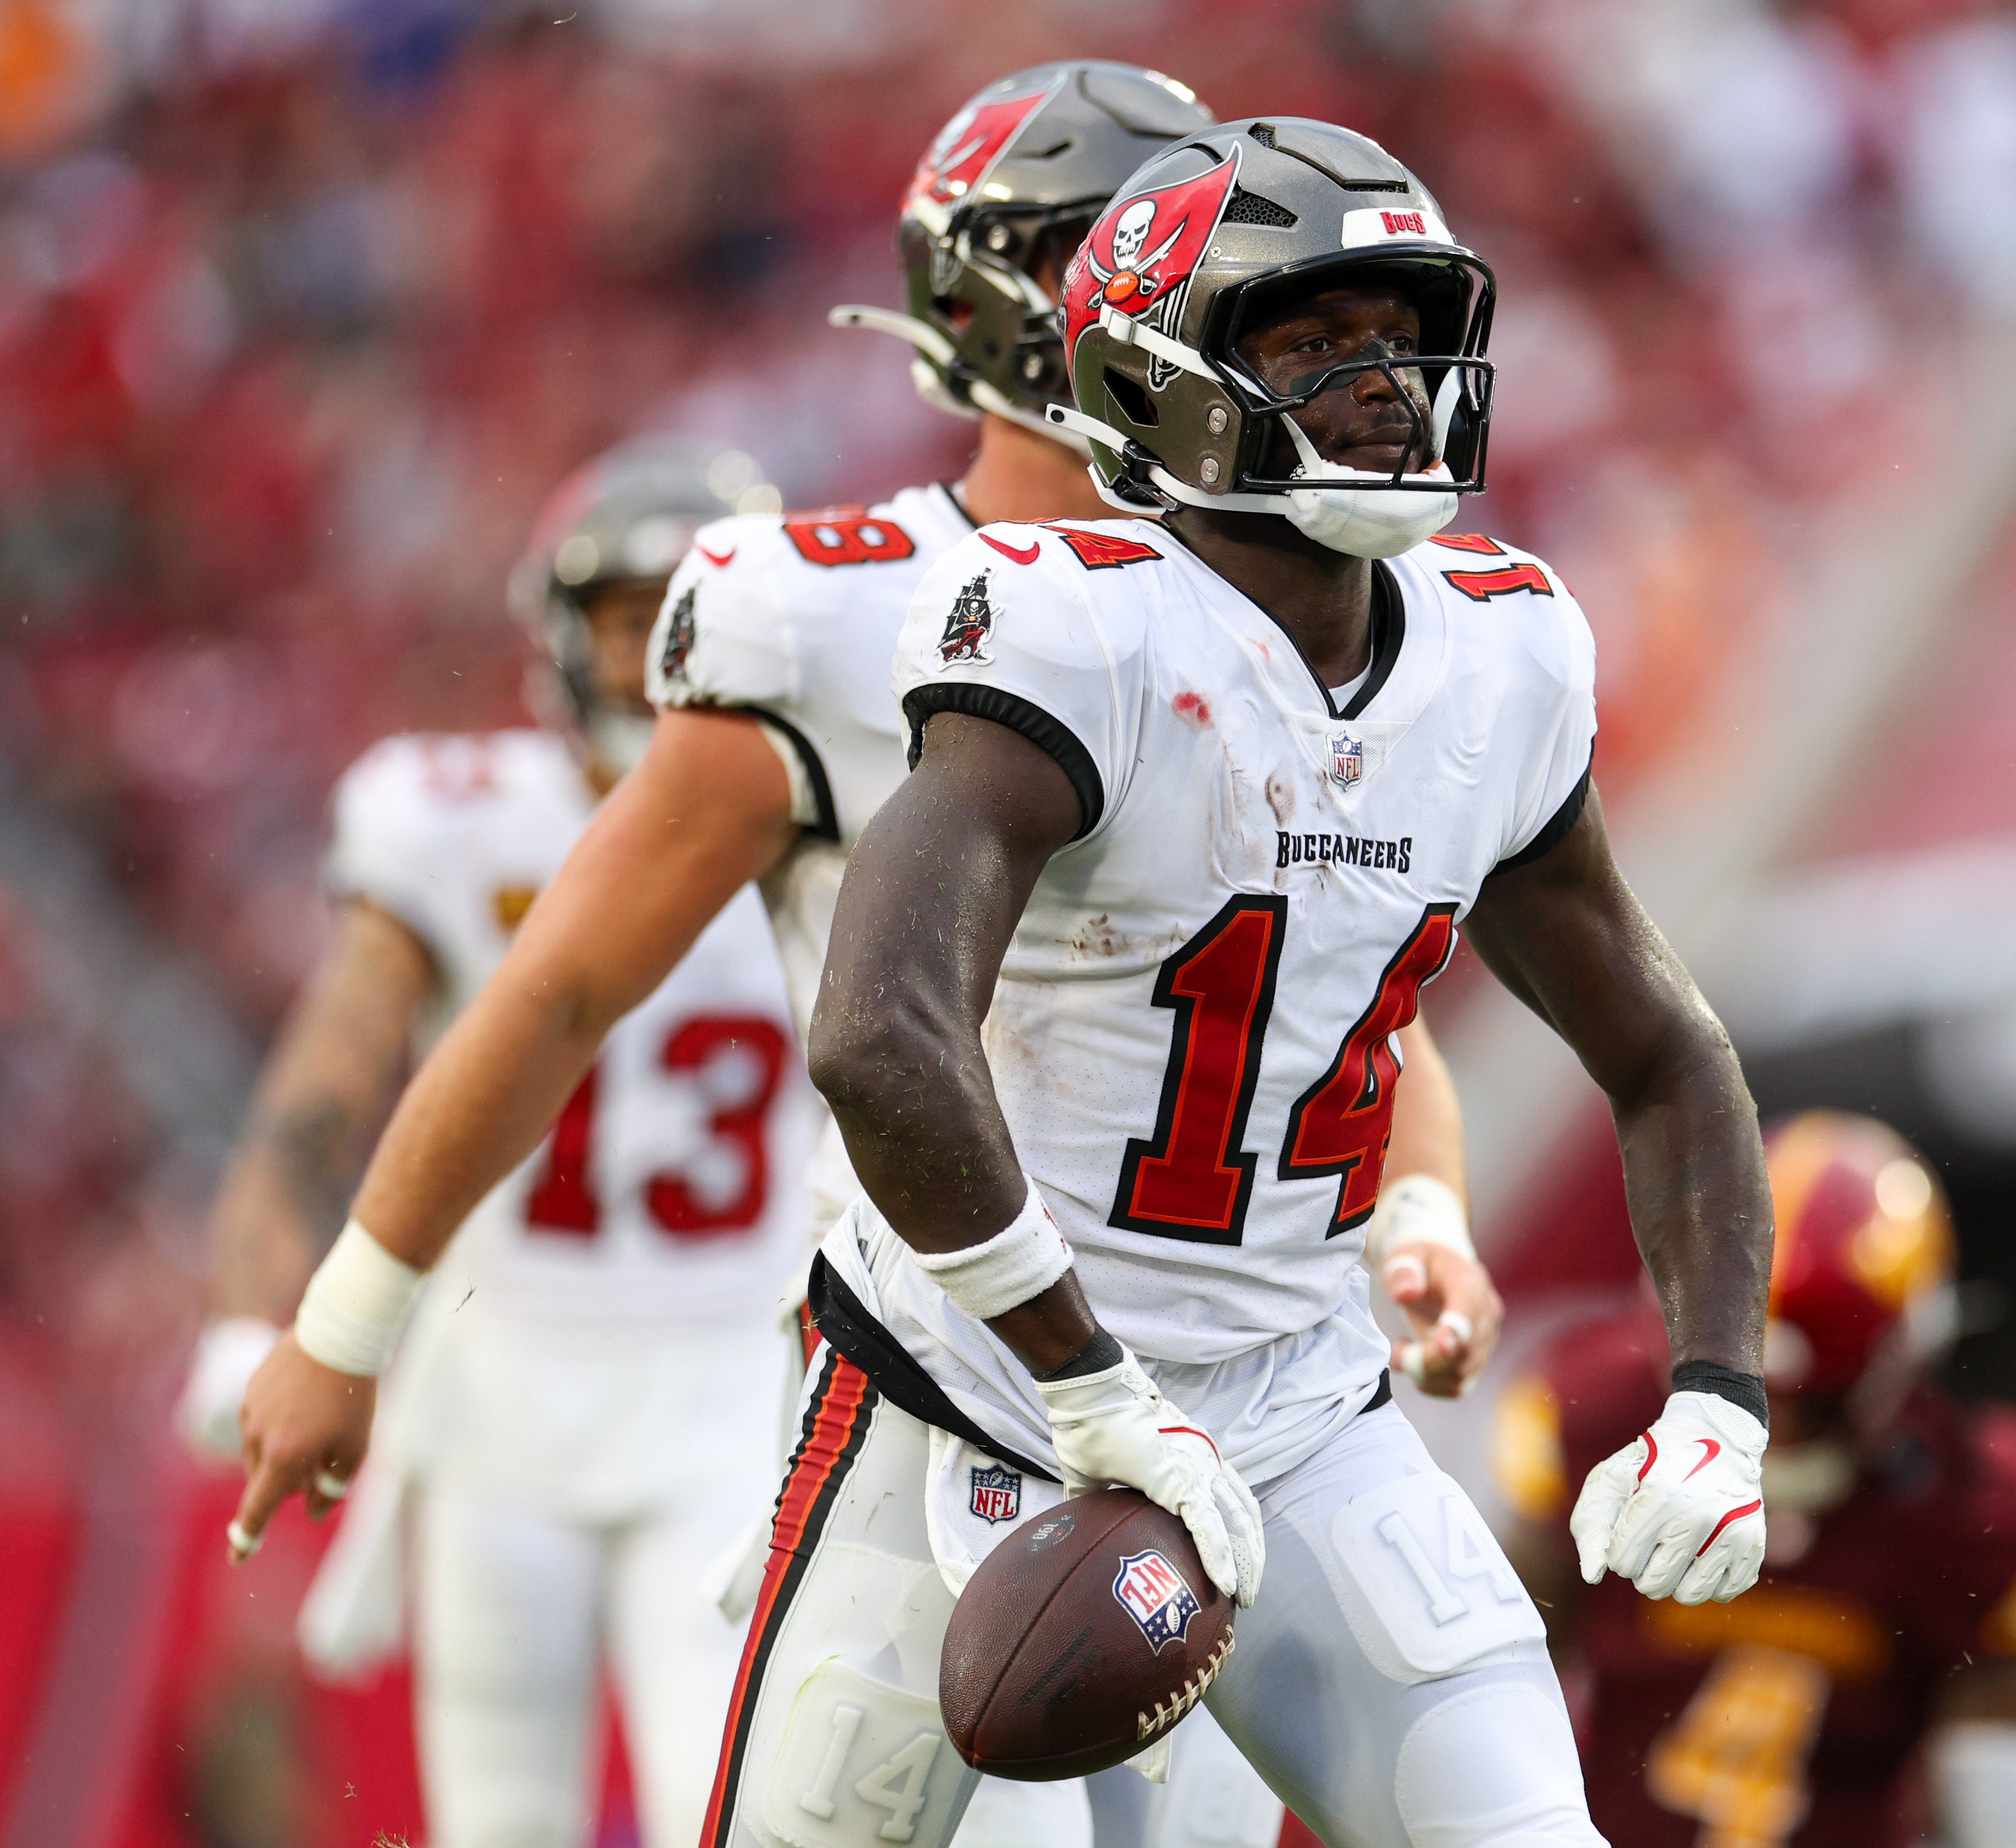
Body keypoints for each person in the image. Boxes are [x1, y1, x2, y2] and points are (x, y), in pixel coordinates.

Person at [226, 62, 1501, 1848]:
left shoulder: (1269, 597)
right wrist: (351, 1315)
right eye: (1132, 248)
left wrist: (1421, 1211)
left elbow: (1339, 997)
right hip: (939, 1379)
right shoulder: (837, 607)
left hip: (1233, 1399)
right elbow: (561, 982)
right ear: (1019, 294)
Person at [679, 115, 1780, 1848]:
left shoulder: (1500, 652)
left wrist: (1717, 1393)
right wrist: (1089, 1383)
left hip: (1296, 1401)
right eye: (1313, 338)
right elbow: (877, 1035)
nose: (1385, 379)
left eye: (1401, 330)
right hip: (969, 1390)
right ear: (1162, 384)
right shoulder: (1075, 627)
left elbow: (1664, 1052)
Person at [175, 441, 823, 1848]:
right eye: (623, 619)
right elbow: (321, 1095)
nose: (656, 664)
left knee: (725, 1810)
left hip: (734, 1391)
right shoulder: (460, 820)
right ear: (556, 635)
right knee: (499, 1824)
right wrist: (250, 1322)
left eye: (688, 620)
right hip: (500, 1398)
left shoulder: (832, 817)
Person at [1494, 1112, 2016, 1848]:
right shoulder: (1595, 1424)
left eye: (1810, 1405)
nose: (1764, 1432)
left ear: (1908, 1351)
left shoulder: (1977, 1513)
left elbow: (2010, 1823)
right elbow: (1485, 1686)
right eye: (1731, 1385)